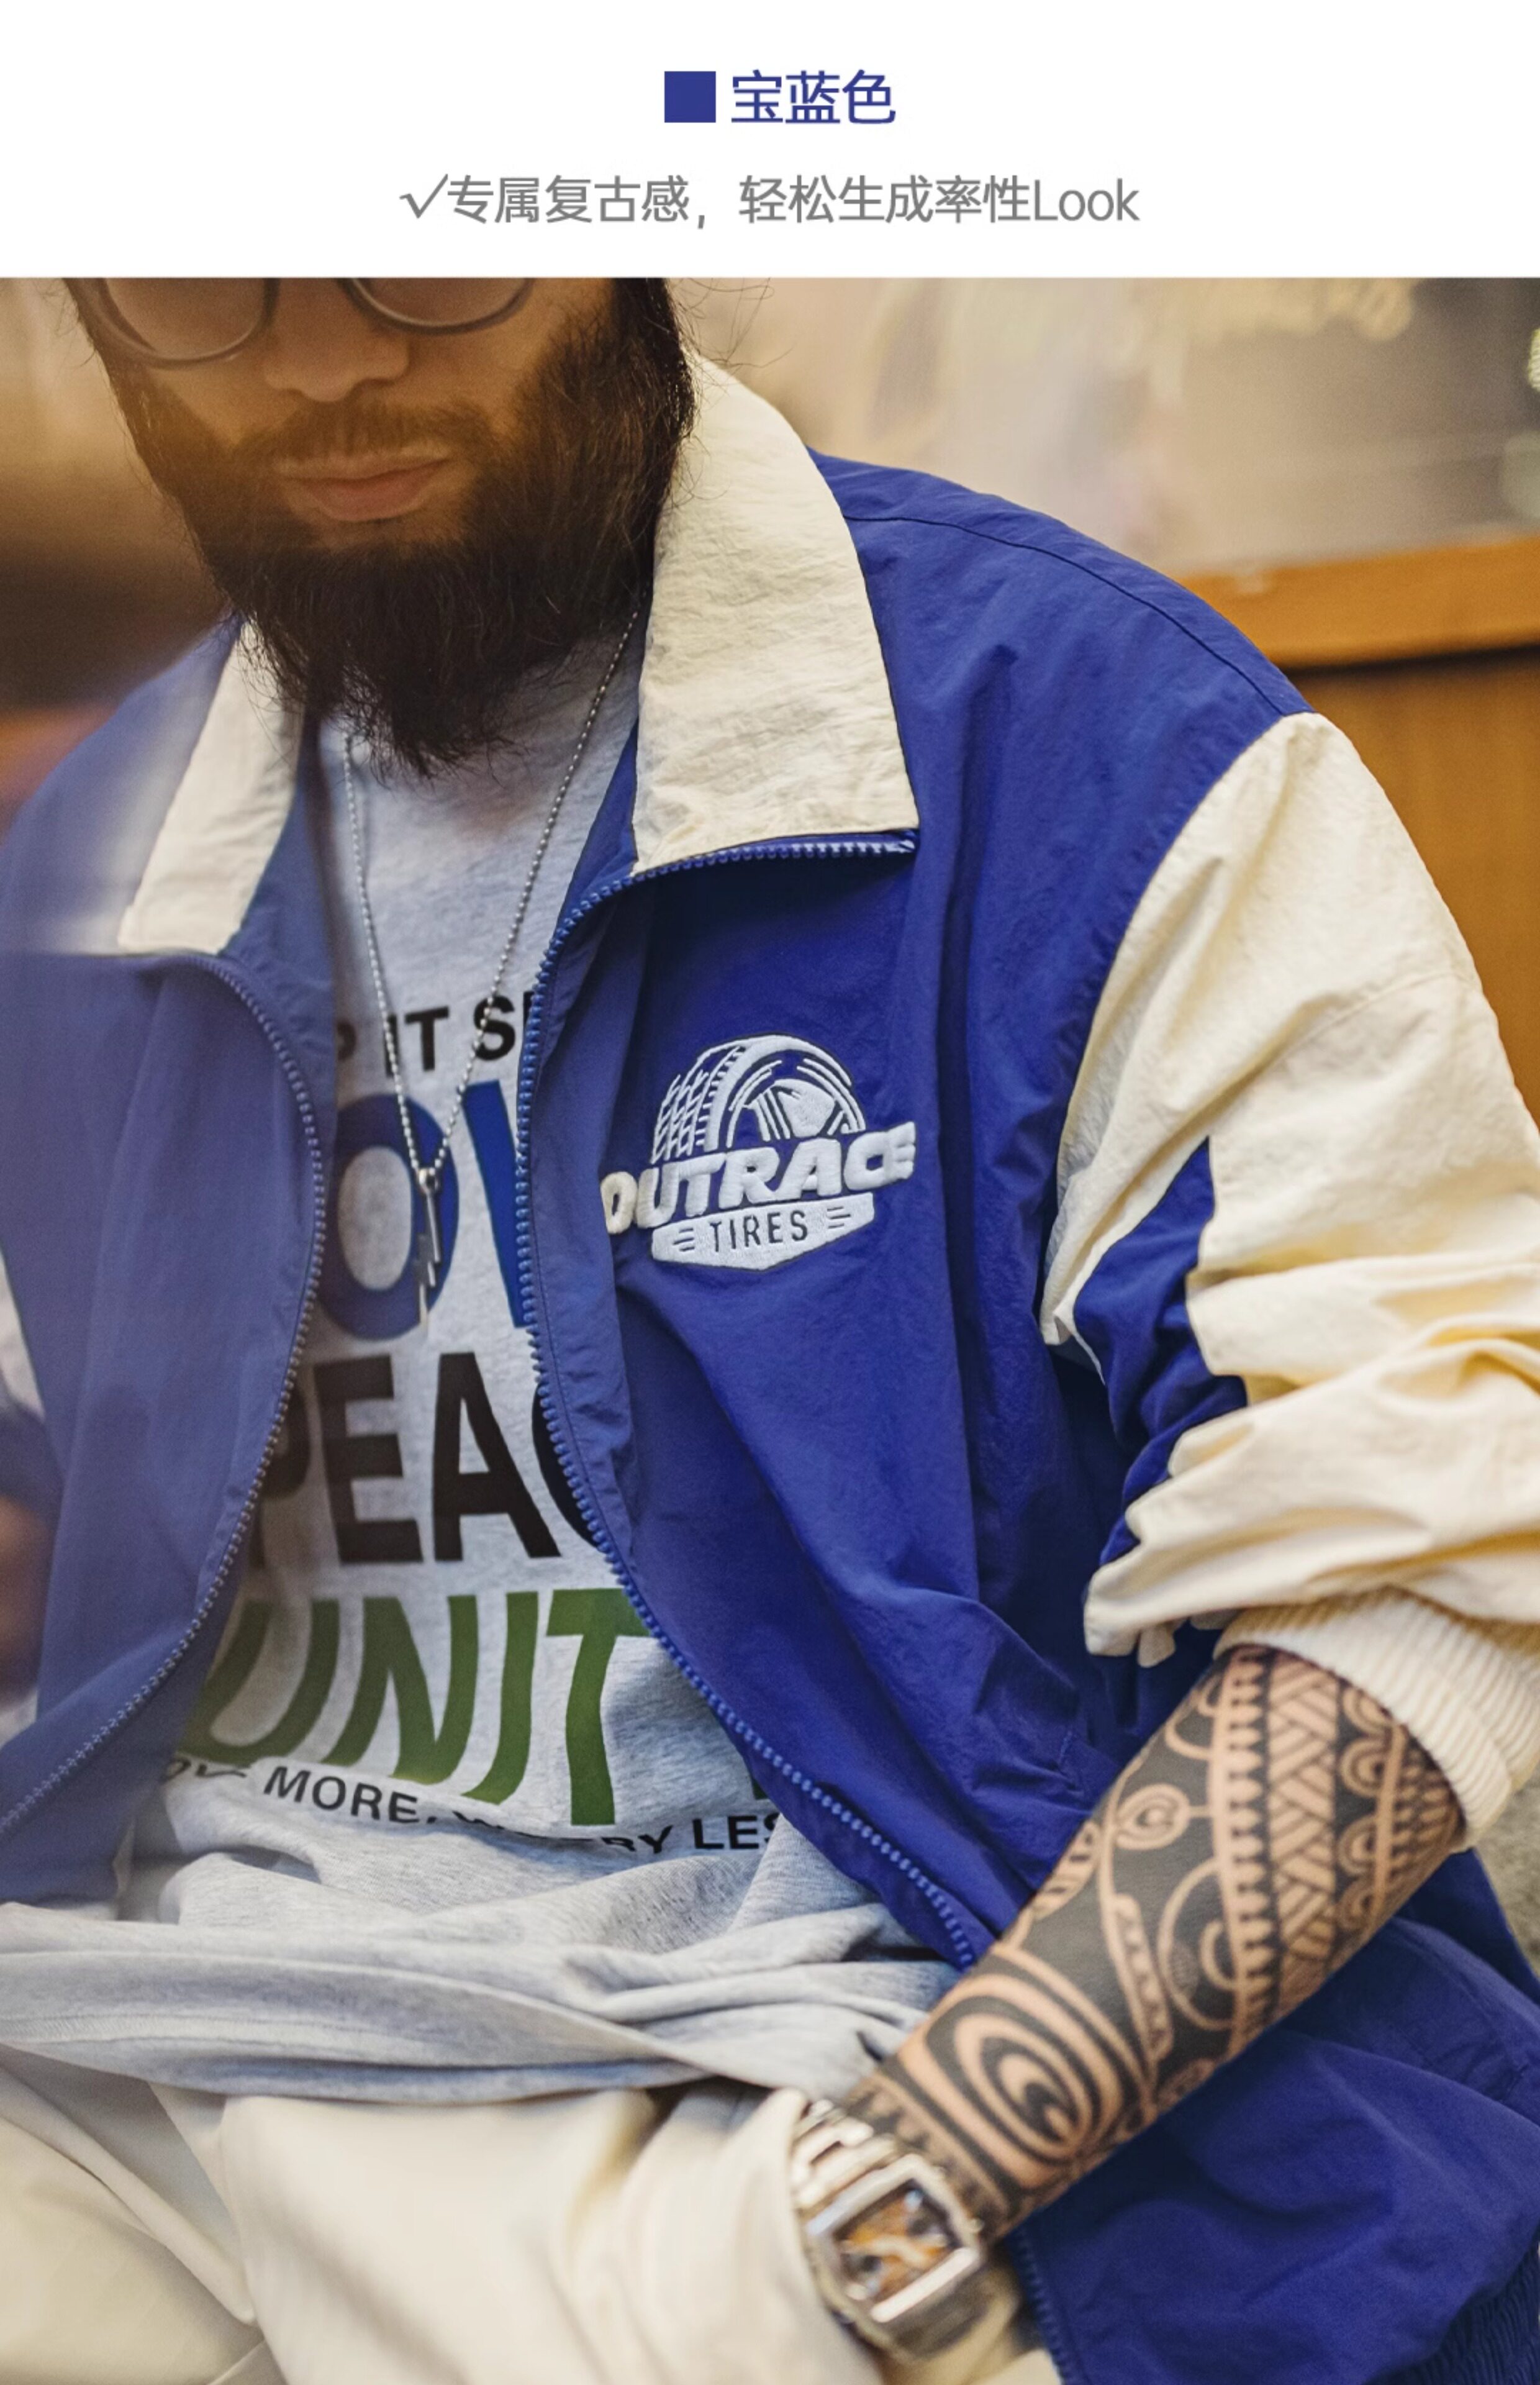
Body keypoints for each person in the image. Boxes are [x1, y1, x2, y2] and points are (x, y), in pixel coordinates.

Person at [0, 274, 1537, 2385]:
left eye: (424, 256)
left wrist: (907, 2184)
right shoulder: (97, 857)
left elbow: (1425, 1579)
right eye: (197, 285)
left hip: (798, 2094)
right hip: (127, 2063)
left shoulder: (1096, 743)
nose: (328, 358)